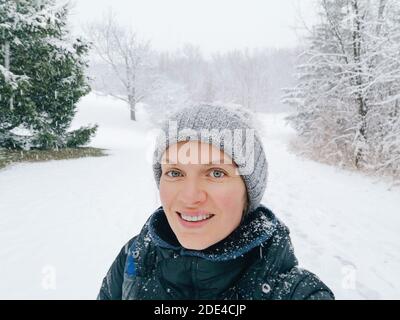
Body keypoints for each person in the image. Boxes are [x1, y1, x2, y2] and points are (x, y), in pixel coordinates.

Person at [97, 104, 335, 300]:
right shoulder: (135, 257)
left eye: (216, 173)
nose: (190, 197)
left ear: (249, 192)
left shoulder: (296, 293)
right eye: (175, 173)